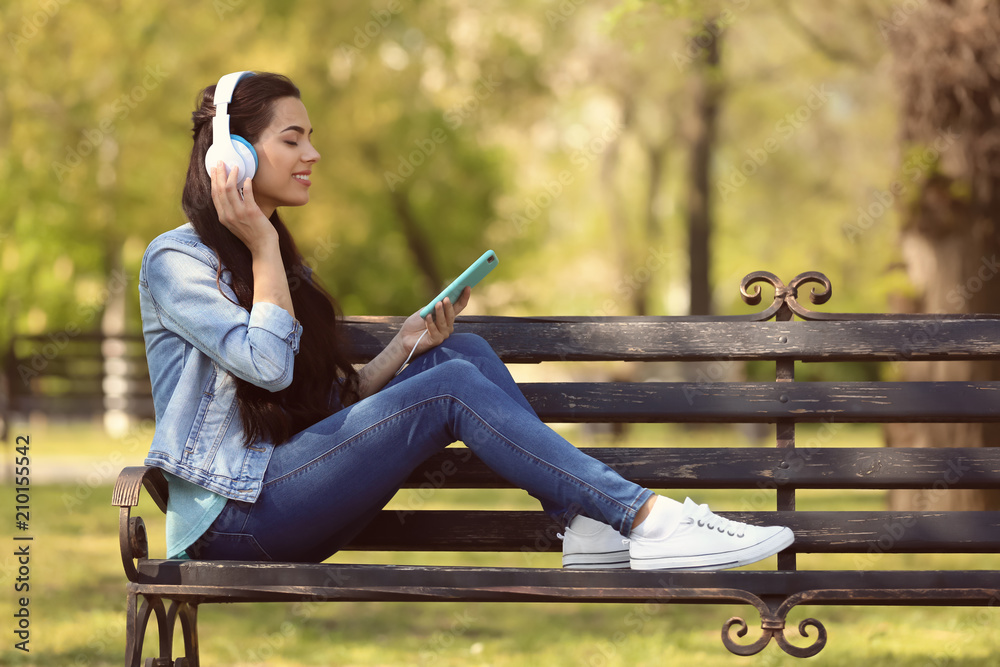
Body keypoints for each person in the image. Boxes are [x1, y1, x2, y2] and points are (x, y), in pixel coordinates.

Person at [138, 71, 794, 570]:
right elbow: (266, 364)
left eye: (310, 137)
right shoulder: (177, 261)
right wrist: (262, 245)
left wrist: (401, 347)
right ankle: (647, 518)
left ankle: (582, 529)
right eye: (293, 138)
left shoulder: (279, 263)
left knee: (463, 356)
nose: (312, 154)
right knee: (449, 389)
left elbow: (315, 409)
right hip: (231, 521)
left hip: (286, 491)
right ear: (235, 157)